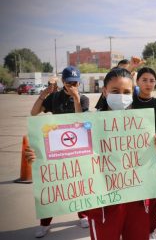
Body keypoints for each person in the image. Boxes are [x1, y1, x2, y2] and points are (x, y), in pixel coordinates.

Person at [85, 67, 156, 240]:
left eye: (126, 92)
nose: (121, 96)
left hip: (136, 200)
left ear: (132, 93)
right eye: (115, 91)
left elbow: (142, 160)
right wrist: (40, 157)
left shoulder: (140, 124)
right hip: (104, 204)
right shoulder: (88, 124)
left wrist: (155, 150)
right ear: (105, 92)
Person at [29, 66, 89, 238]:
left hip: (78, 147)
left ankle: (83, 215)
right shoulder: (55, 97)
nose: (73, 85)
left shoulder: (83, 99)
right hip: (56, 147)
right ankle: (45, 223)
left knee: (79, 183)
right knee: (52, 186)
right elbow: (34, 113)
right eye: (69, 82)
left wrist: (76, 97)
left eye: (76, 82)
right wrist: (45, 93)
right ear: (63, 82)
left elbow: (82, 119)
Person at [132, 67, 156, 239]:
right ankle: (135, 227)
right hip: (132, 159)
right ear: (137, 82)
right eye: (144, 80)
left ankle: (150, 229)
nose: (148, 83)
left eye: (152, 80)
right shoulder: (129, 103)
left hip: (155, 158)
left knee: (153, 197)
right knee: (135, 197)